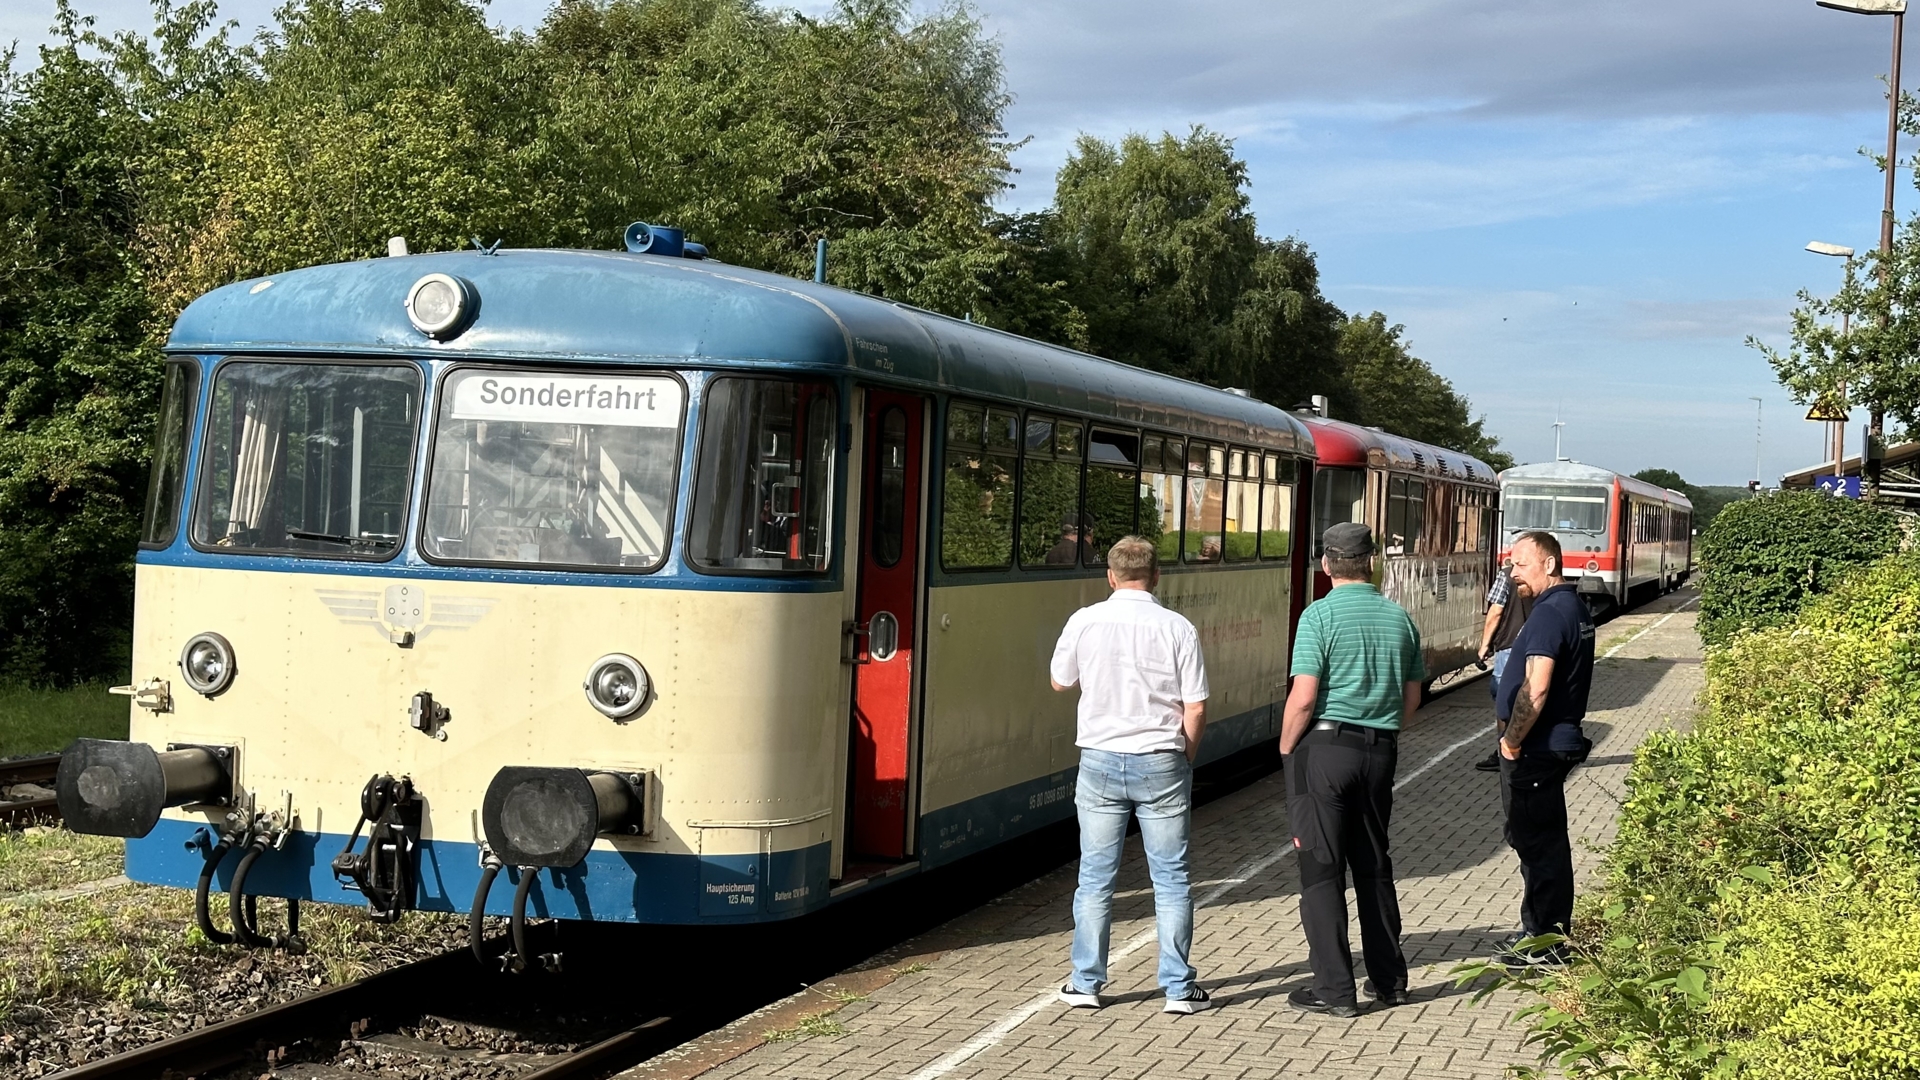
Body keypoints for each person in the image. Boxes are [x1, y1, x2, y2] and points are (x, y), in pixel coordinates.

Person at [1049, 535, 1212, 1015]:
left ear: (1111, 576)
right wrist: (1186, 753)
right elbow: (1196, 705)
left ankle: (1085, 984)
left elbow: (1061, 681)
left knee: (1096, 877)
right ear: (1156, 574)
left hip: (1099, 759)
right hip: (1161, 759)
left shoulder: (1085, 620)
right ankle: (1179, 989)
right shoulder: (1177, 627)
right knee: (1171, 876)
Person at [1279, 522, 1420, 1017]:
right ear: (1371, 563)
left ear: (1326, 566)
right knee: (1374, 863)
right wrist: (1381, 730)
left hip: (1325, 750)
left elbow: (1304, 696)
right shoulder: (1398, 618)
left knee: (1321, 868)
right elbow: (1411, 698)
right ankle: (1390, 982)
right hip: (1380, 752)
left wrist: (1286, 747)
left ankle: (1335, 989)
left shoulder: (1317, 616)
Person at [1493, 530, 1596, 967]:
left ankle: (1547, 943)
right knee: (1539, 839)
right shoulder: (1571, 607)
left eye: (1520, 563)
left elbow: (1535, 690)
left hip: (1536, 747)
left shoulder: (1550, 614)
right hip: (1551, 743)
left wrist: (1512, 742)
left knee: (1539, 844)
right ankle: (1538, 931)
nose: (1513, 571)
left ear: (1549, 564)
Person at [1472, 559, 1534, 772]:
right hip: (1533, 647)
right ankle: (1524, 750)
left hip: (1509, 647)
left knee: (1504, 702)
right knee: (1529, 697)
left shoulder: (1506, 575)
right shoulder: (1540, 577)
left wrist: (1484, 645)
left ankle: (1504, 753)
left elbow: (1495, 612)